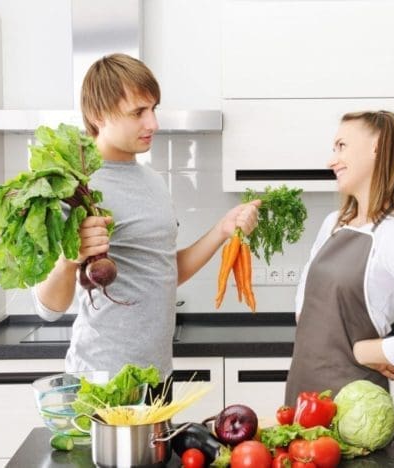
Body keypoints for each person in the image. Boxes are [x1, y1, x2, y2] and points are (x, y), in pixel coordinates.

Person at [32, 53, 260, 398]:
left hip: (157, 375)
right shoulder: (75, 186)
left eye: (153, 109)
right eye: (138, 112)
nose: (152, 123)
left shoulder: (152, 181)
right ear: (98, 115)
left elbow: (165, 271)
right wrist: (69, 260)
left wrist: (221, 231)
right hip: (102, 379)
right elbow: (48, 308)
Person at [284, 110, 394, 405]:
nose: (332, 160)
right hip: (302, 398)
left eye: (342, 146)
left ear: (376, 147)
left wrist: (366, 352)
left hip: (354, 411)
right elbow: (305, 312)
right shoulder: (334, 223)